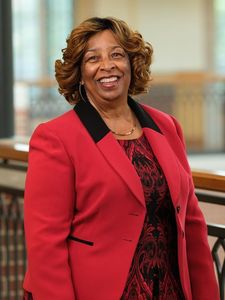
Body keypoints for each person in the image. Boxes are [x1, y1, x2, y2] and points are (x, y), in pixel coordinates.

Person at [23, 17, 219, 300]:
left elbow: (192, 223)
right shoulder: (55, 138)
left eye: (117, 55)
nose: (107, 65)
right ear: (79, 72)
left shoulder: (167, 126)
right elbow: (45, 246)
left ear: (132, 64)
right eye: (93, 58)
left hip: (168, 291)